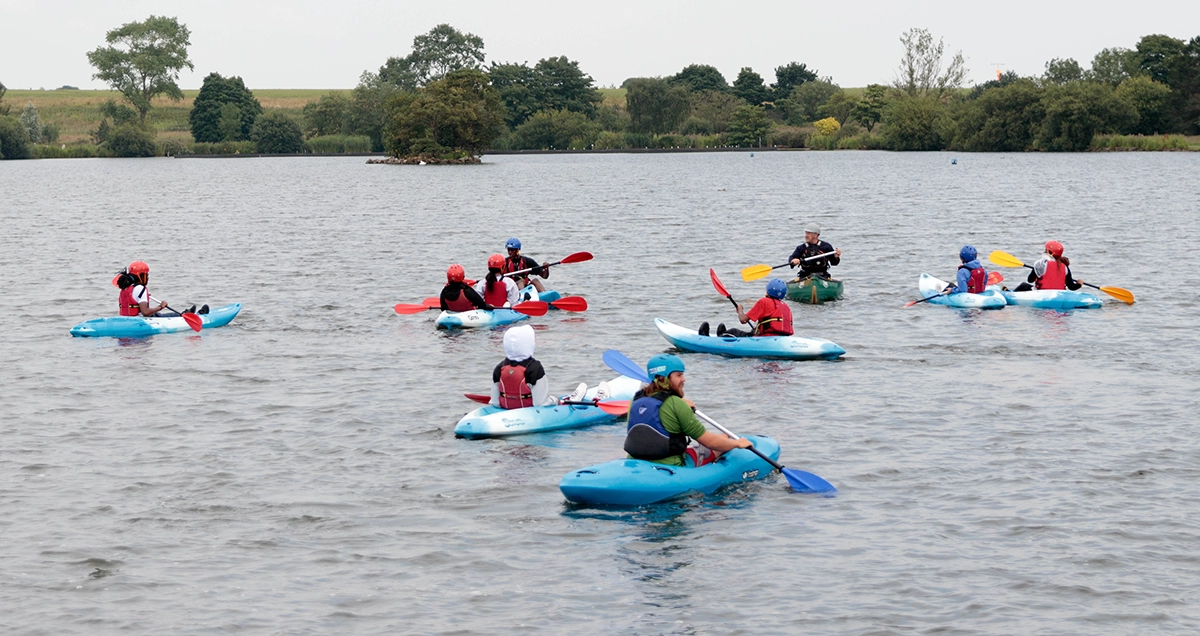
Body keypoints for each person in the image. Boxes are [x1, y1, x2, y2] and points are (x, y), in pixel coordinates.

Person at [623, 354, 753, 467]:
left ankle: (725, 437)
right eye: (679, 375)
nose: (683, 379)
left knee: (723, 437)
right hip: (672, 465)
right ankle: (728, 440)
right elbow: (710, 442)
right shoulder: (676, 404)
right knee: (720, 444)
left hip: (636, 460)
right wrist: (737, 444)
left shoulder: (635, 399)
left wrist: (682, 406)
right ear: (663, 378)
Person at [699, 278, 794, 338]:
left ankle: (718, 337)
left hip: (765, 338)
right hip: (781, 337)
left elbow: (743, 320)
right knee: (751, 331)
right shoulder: (786, 306)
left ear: (767, 291)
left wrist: (740, 310)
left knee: (733, 331)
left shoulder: (764, 301)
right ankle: (723, 334)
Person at [115, 260, 205, 317]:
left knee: (160, 315)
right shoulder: (140, 289)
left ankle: (188, 313)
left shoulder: (125, 288)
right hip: (142, 321)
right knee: (163, 315)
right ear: (141, 276)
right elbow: (145, 312)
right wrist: (160, 306)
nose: (148, 277)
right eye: (146, 275)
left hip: (126, 319)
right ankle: (195, 315)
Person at [1012, 240, 1084, 292]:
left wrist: (1037, 272)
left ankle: (1009, 293)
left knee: (1024, 285)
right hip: (1058, 294)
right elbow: (1071, 287)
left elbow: (1030, 280)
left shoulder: (1041, 264)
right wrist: (1079, 284)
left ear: (1049, 252)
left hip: (1041, 294)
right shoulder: (1065, 267)